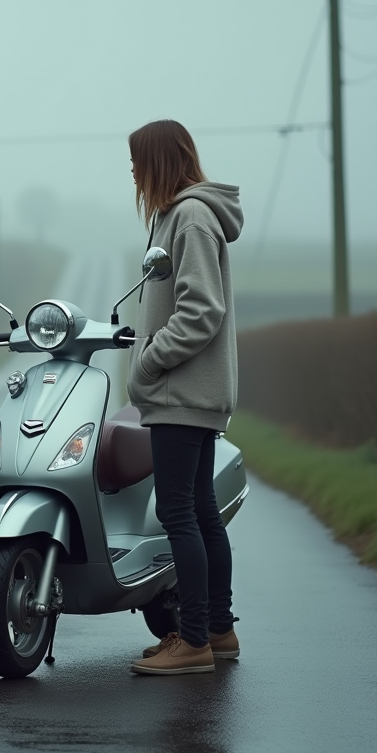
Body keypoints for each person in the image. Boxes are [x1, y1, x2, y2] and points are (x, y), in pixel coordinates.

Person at [124, 120, 243, 676]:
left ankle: (192, 641)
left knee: (178, 512)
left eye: (137, 163)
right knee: (198, 511)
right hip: (192, 390)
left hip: (181, 391)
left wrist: (149, 360)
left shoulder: (190, 217)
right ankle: (218, 631)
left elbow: (201, 310)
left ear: (158, 162)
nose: (132, 174)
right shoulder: (182, 215)